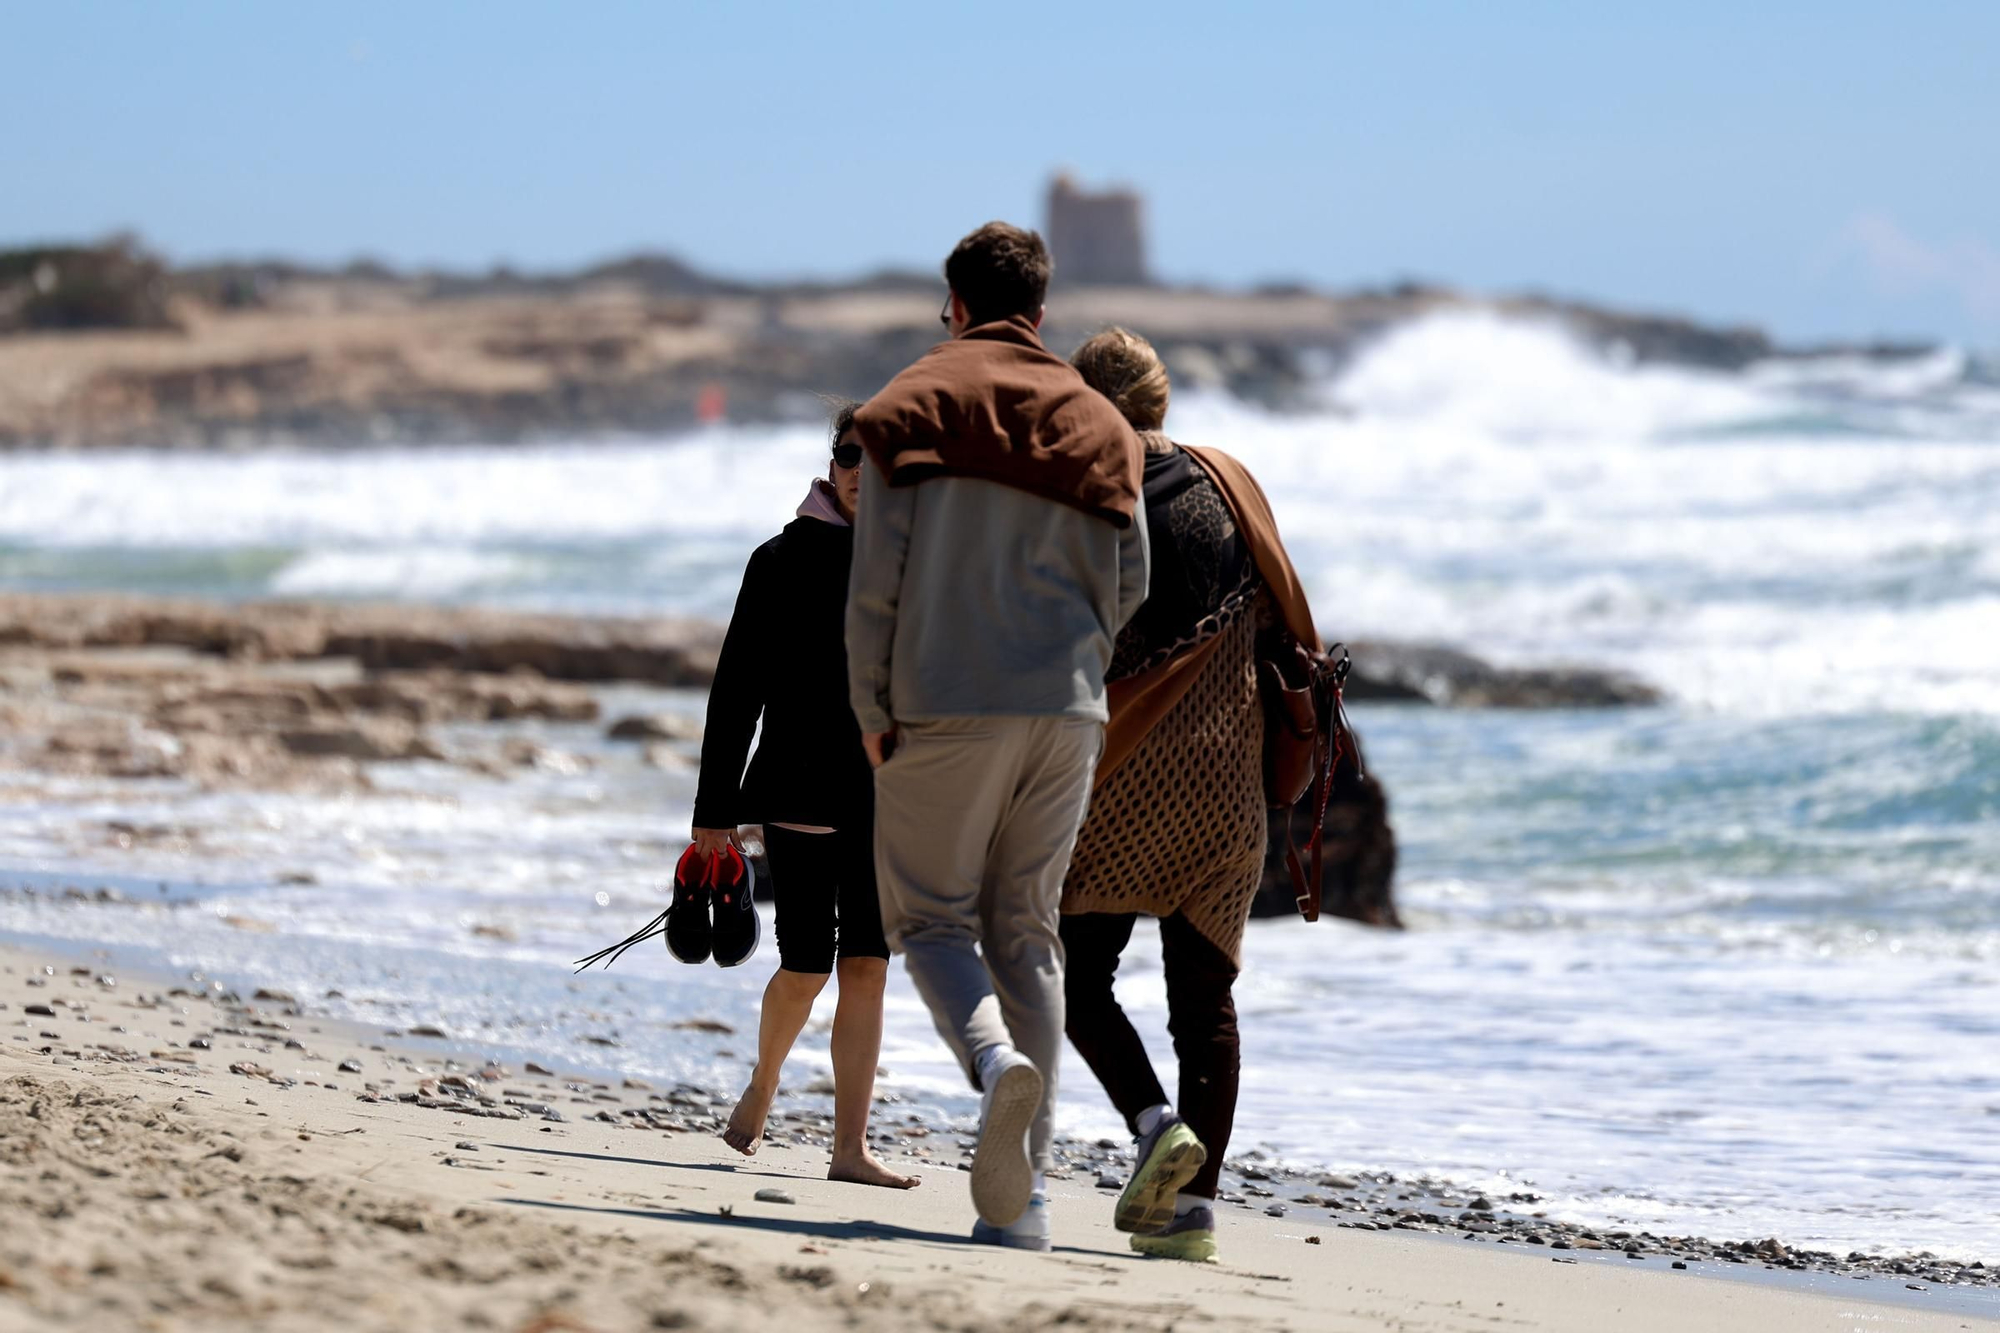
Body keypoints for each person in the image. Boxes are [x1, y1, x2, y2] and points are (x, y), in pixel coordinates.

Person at [846, 223, 1148, 1249]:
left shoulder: (906, 406)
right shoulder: (1101, 426)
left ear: (956, 302)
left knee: (931, 921)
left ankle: (989, 1066)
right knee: (1027, 934)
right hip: (1068, 709)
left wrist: (870, 709)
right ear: (1042, 311)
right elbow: (1132, 578)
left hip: (941, 699)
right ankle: (1028, 1206)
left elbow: (874, 583)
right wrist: (1079, 656)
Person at [1059, 327, 1323, 1263]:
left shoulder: (1096, 495)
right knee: (1204, 1005)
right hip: (1230, 790)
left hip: (1123, 777)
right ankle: (1194, 1213)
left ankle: (1153, 1123)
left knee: (1076, 976)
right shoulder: (1232, 482)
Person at [691, 402, 919, 1191]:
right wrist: (713, 810)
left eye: (882, 462)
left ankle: (849, 1147)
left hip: (889, 794)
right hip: (799, 783)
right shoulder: (779, 560)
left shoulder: (915, 565)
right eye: (852, 457)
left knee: (869, 966)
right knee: (808, 962)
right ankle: (764, 1078)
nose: (864, 474)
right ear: (833, 463)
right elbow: (735, 689)